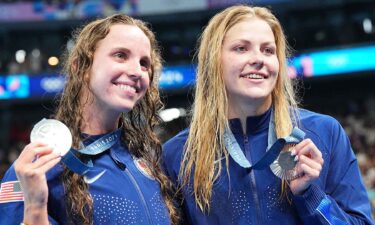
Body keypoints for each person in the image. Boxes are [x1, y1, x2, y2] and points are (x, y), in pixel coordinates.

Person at [162, 5, 375, 225]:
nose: (258, 59)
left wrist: (309, 195)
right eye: (241, 48)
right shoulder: (178, 155)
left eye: (268, 50)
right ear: (213, 61)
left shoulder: (324, 133)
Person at [0, 14, 179, 225]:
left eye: (144, 63)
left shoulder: (150, 162)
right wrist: (35, 208)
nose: (136, 71)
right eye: (120, 55)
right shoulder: (36, 167)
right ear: (81, 67)